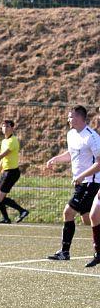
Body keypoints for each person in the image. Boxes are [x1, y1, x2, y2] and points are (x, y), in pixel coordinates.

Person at [45, 105, 100, 261]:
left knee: (68, 212)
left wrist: (82, 176)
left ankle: (64, 252)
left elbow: (99, 163)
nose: (68, 119)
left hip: (91, 182)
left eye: (71, 116)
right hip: (81, 183)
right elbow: (71, 154)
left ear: (79, 117)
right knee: (88, 219)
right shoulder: (71, 134)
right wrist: (55, 159)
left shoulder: (92, 137)